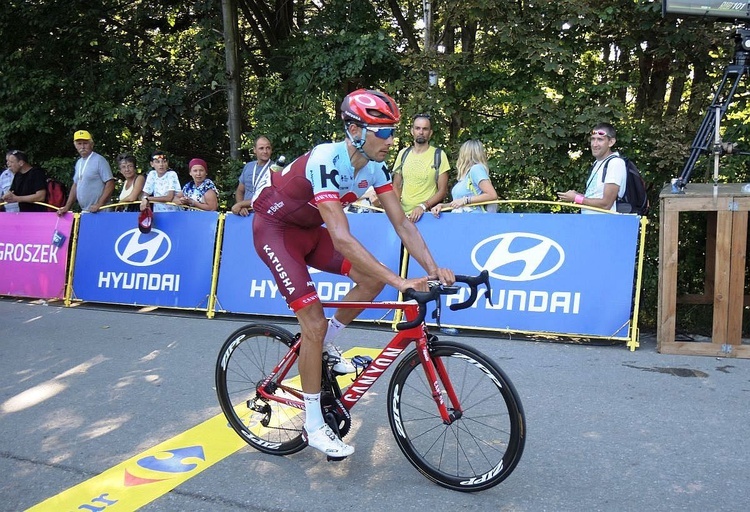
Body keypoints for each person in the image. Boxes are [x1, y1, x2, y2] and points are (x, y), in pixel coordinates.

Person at [251, 89, 455, 458]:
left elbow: (403, 225)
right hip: (276, 231)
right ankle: (313, 425)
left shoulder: (374, 168)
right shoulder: (327, 159)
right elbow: (343, 238)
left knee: (372, 278)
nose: (393, 141)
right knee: (312, 323)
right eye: (384, 132)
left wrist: (432, 268)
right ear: (355, 129)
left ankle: (327, 341)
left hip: (311, 232)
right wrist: (401, 282)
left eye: (394, 131)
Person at [391, 113, 451, 222]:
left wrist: (423, 206)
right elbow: (396, 185)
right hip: (404, 216)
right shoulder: (403, 154)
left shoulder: (439, 155)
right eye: (417, 128)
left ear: (430, 133)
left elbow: (442, 190)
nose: (421, 132)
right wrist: (397, 210)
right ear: (412, 131)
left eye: (425, 129)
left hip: (428, 216)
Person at [557, 122, 626, 214]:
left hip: (605, 225)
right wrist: (576, 195)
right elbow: (595, 197)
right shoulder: (597, 163)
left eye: (600, 140)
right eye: (593, 139)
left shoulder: (615, 163)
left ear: (611, 142)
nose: (594, 144)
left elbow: (606, 204)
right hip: (591, 224)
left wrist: (576, 198)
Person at [430, 139, 498, 216]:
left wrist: (465, 200)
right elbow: (459, 204)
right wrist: (442, 206)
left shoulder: (476, 169)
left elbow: (492, 195)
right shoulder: (466, 176)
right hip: (462, 221)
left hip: (473, 220)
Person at [58, 130, 115, 215]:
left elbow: (110, 183)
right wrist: (67, 207)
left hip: (101, 211)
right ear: (75, 146)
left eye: (85, 143)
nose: (82, 146)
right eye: (79, 144)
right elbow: (75, 185)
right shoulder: (79, 162)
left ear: (91, 144)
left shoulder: (99, 160)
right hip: (86, 211)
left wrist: (99, 204)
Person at [232, 136, 272, 216]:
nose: (265, 151)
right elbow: (240, 191)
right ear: (254, 150)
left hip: (265, 215)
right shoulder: (248, 166)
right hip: (246, 215)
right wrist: (242, 206)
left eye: (268, 148)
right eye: (261, 148)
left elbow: (269, 196)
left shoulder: (276, 170)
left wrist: (241, 204)